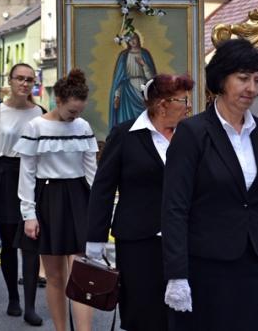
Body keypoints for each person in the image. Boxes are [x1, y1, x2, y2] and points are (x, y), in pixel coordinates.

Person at [162, 38, 258, 330]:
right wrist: (177, 274)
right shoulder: (192, 133)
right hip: (208, 267)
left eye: (257, 80)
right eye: (243, 78)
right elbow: (175, 207)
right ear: (221, 79)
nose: (251, 88)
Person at [87, 74, 195, 331]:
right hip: (138, 242)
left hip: (185, 240)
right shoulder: (125, 135)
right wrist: (95, 240)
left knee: (183, 314)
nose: (189, 106)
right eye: (183, 100)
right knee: (142, 312)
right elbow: (103, 189)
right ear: (162, 104)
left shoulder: (191, 135)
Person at [15, 68, 98, 331]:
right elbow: (27, 174)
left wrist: (99, 208)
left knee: (82, 274)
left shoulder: (83, 126)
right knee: (54, 276)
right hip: (48, 198)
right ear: (58, 101)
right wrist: (29, 215)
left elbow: (92, 172)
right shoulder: (35, 126)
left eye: (80, 111)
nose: (76, 117)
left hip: (79, 197)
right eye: (72, 111)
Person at [0, 63, 44, 326]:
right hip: (3, 178)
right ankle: (13, 297)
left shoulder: (40, 113)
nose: (24, 84)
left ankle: (30, 306)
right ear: (10, 80)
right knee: (7, 243)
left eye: (29, 79)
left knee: (31, 242)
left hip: (32, 178)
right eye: (20, 78)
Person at [108, 33, 157, 130]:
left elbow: (151, 78)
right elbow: (120, 79)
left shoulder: (145, 54)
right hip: (127, 92)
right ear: (127, 41)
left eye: (134, 38)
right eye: (130, 40)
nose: (133, 41)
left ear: (138, 39)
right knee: (127, 121)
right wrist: (117, 96)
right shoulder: (124, 56)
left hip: (143, 89)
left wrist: (143, 64)